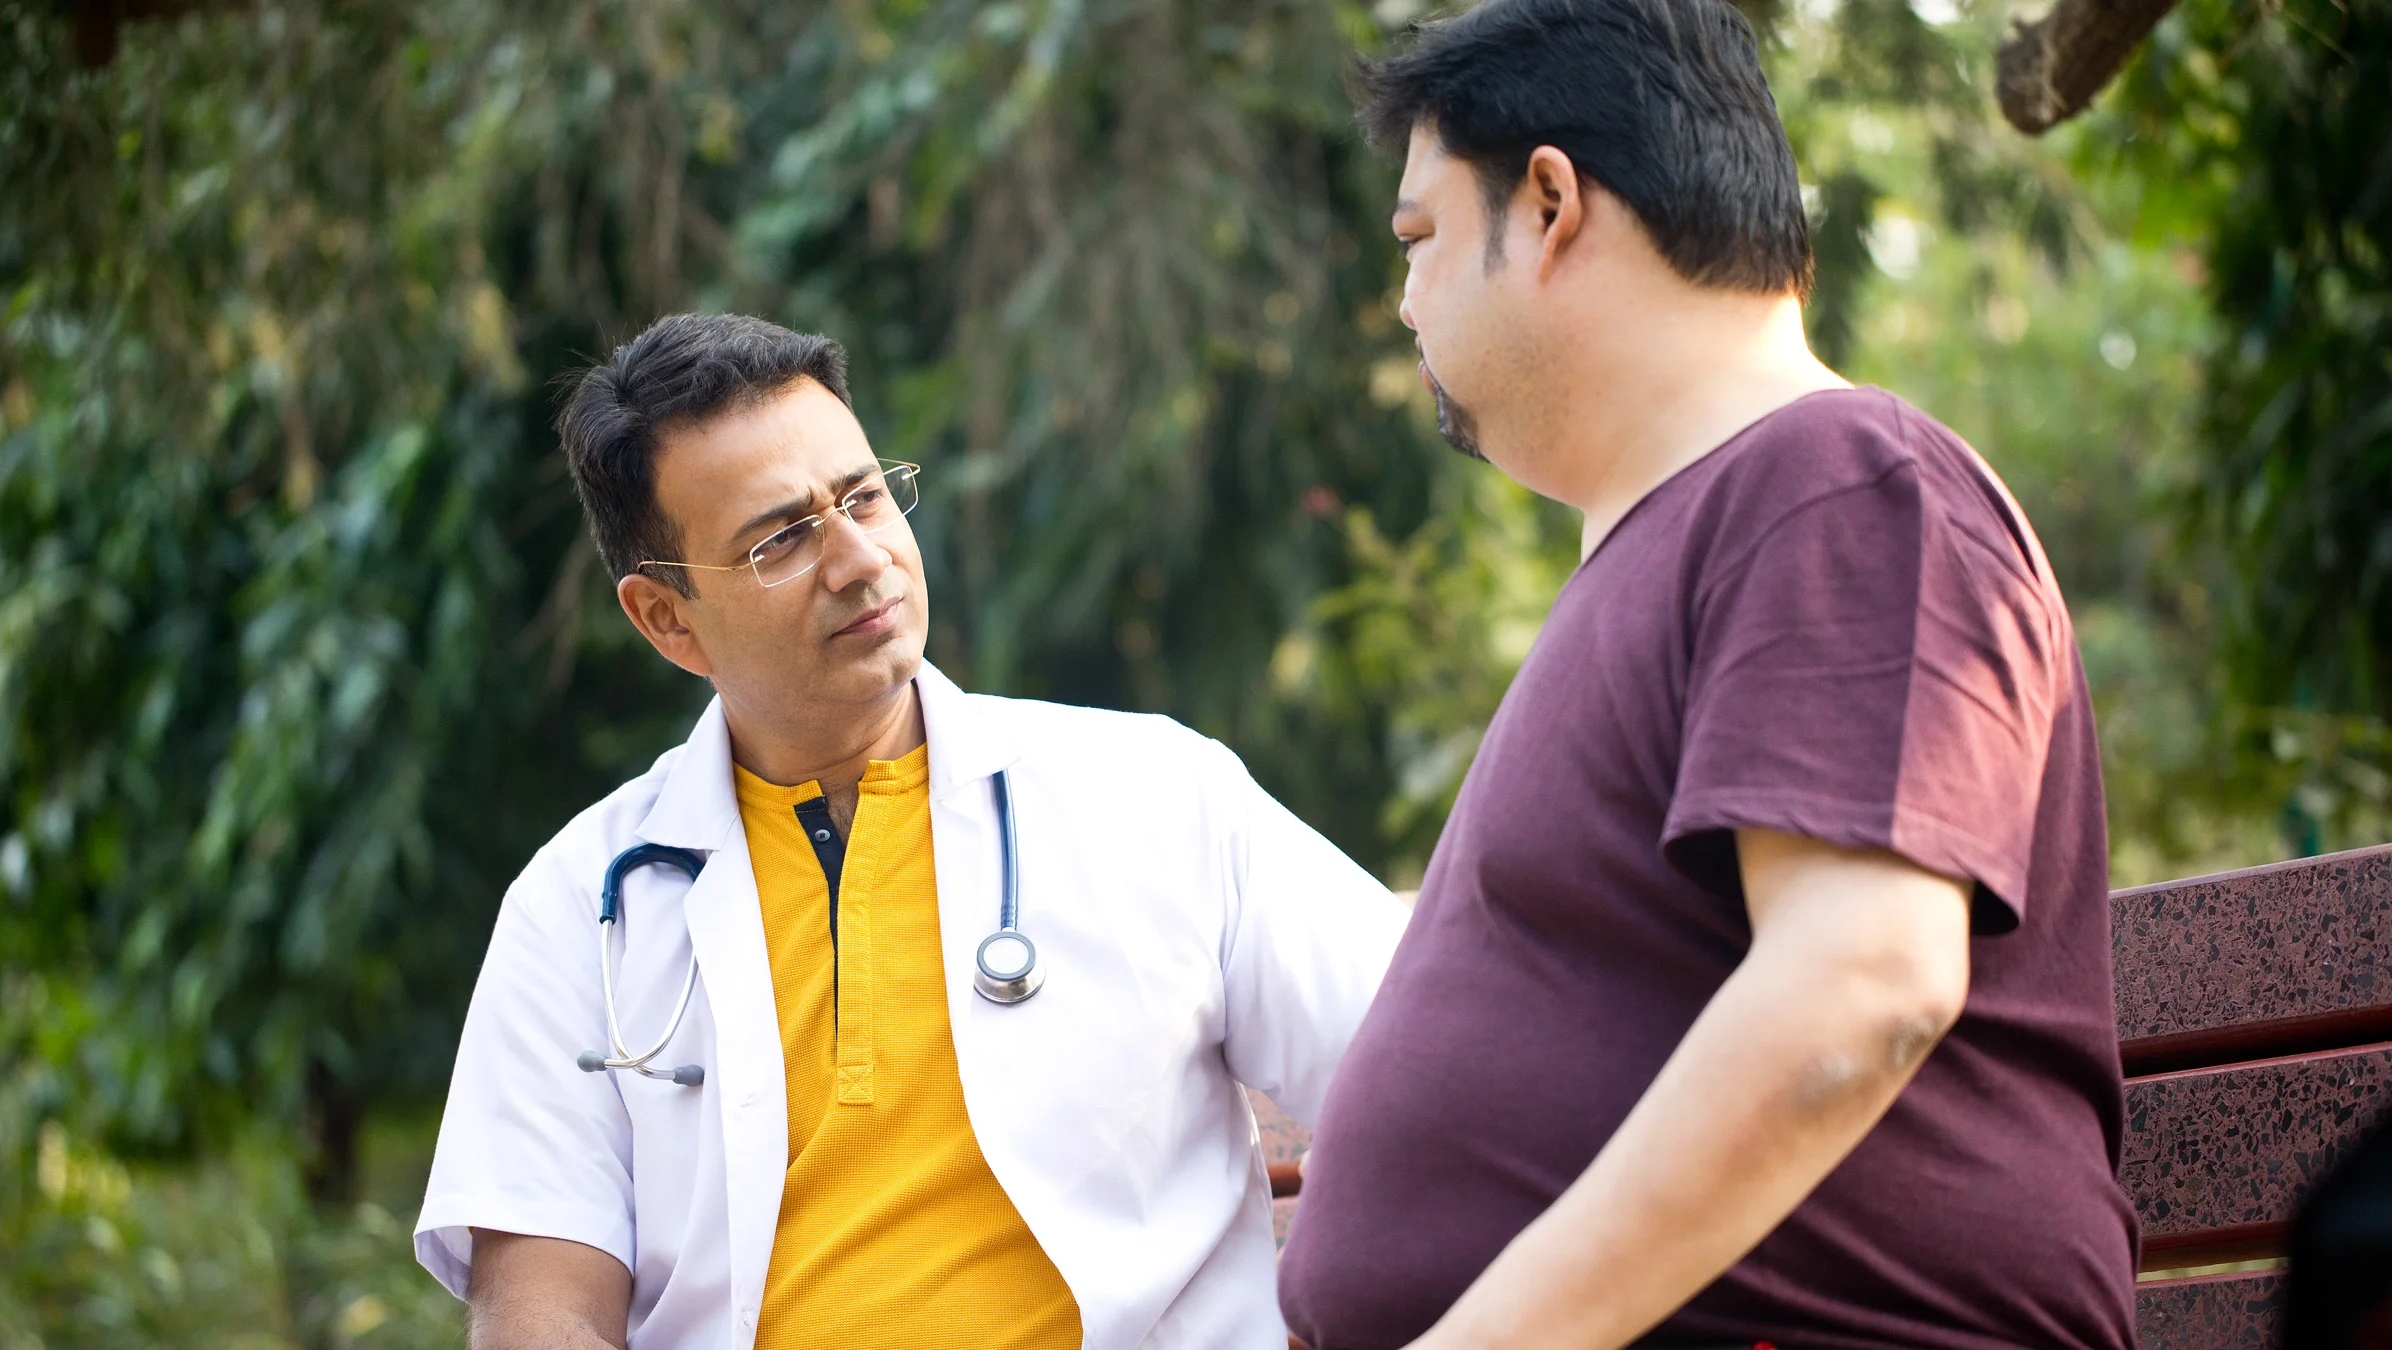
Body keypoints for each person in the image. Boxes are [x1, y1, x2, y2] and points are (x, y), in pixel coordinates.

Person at [1275, 2, 2138, 1347]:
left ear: (1550, 204)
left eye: (1420, 236)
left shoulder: (1838, 482)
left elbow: (1864, 983)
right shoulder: (1700, 536)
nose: (1404, 301)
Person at [413, 313, 1408, 1349]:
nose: (860, 558)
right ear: (668, 619)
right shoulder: (578, 910)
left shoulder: (1159, 797)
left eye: (864, 498)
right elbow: (543, 1310)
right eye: (780, 540)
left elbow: (1440, 1067)